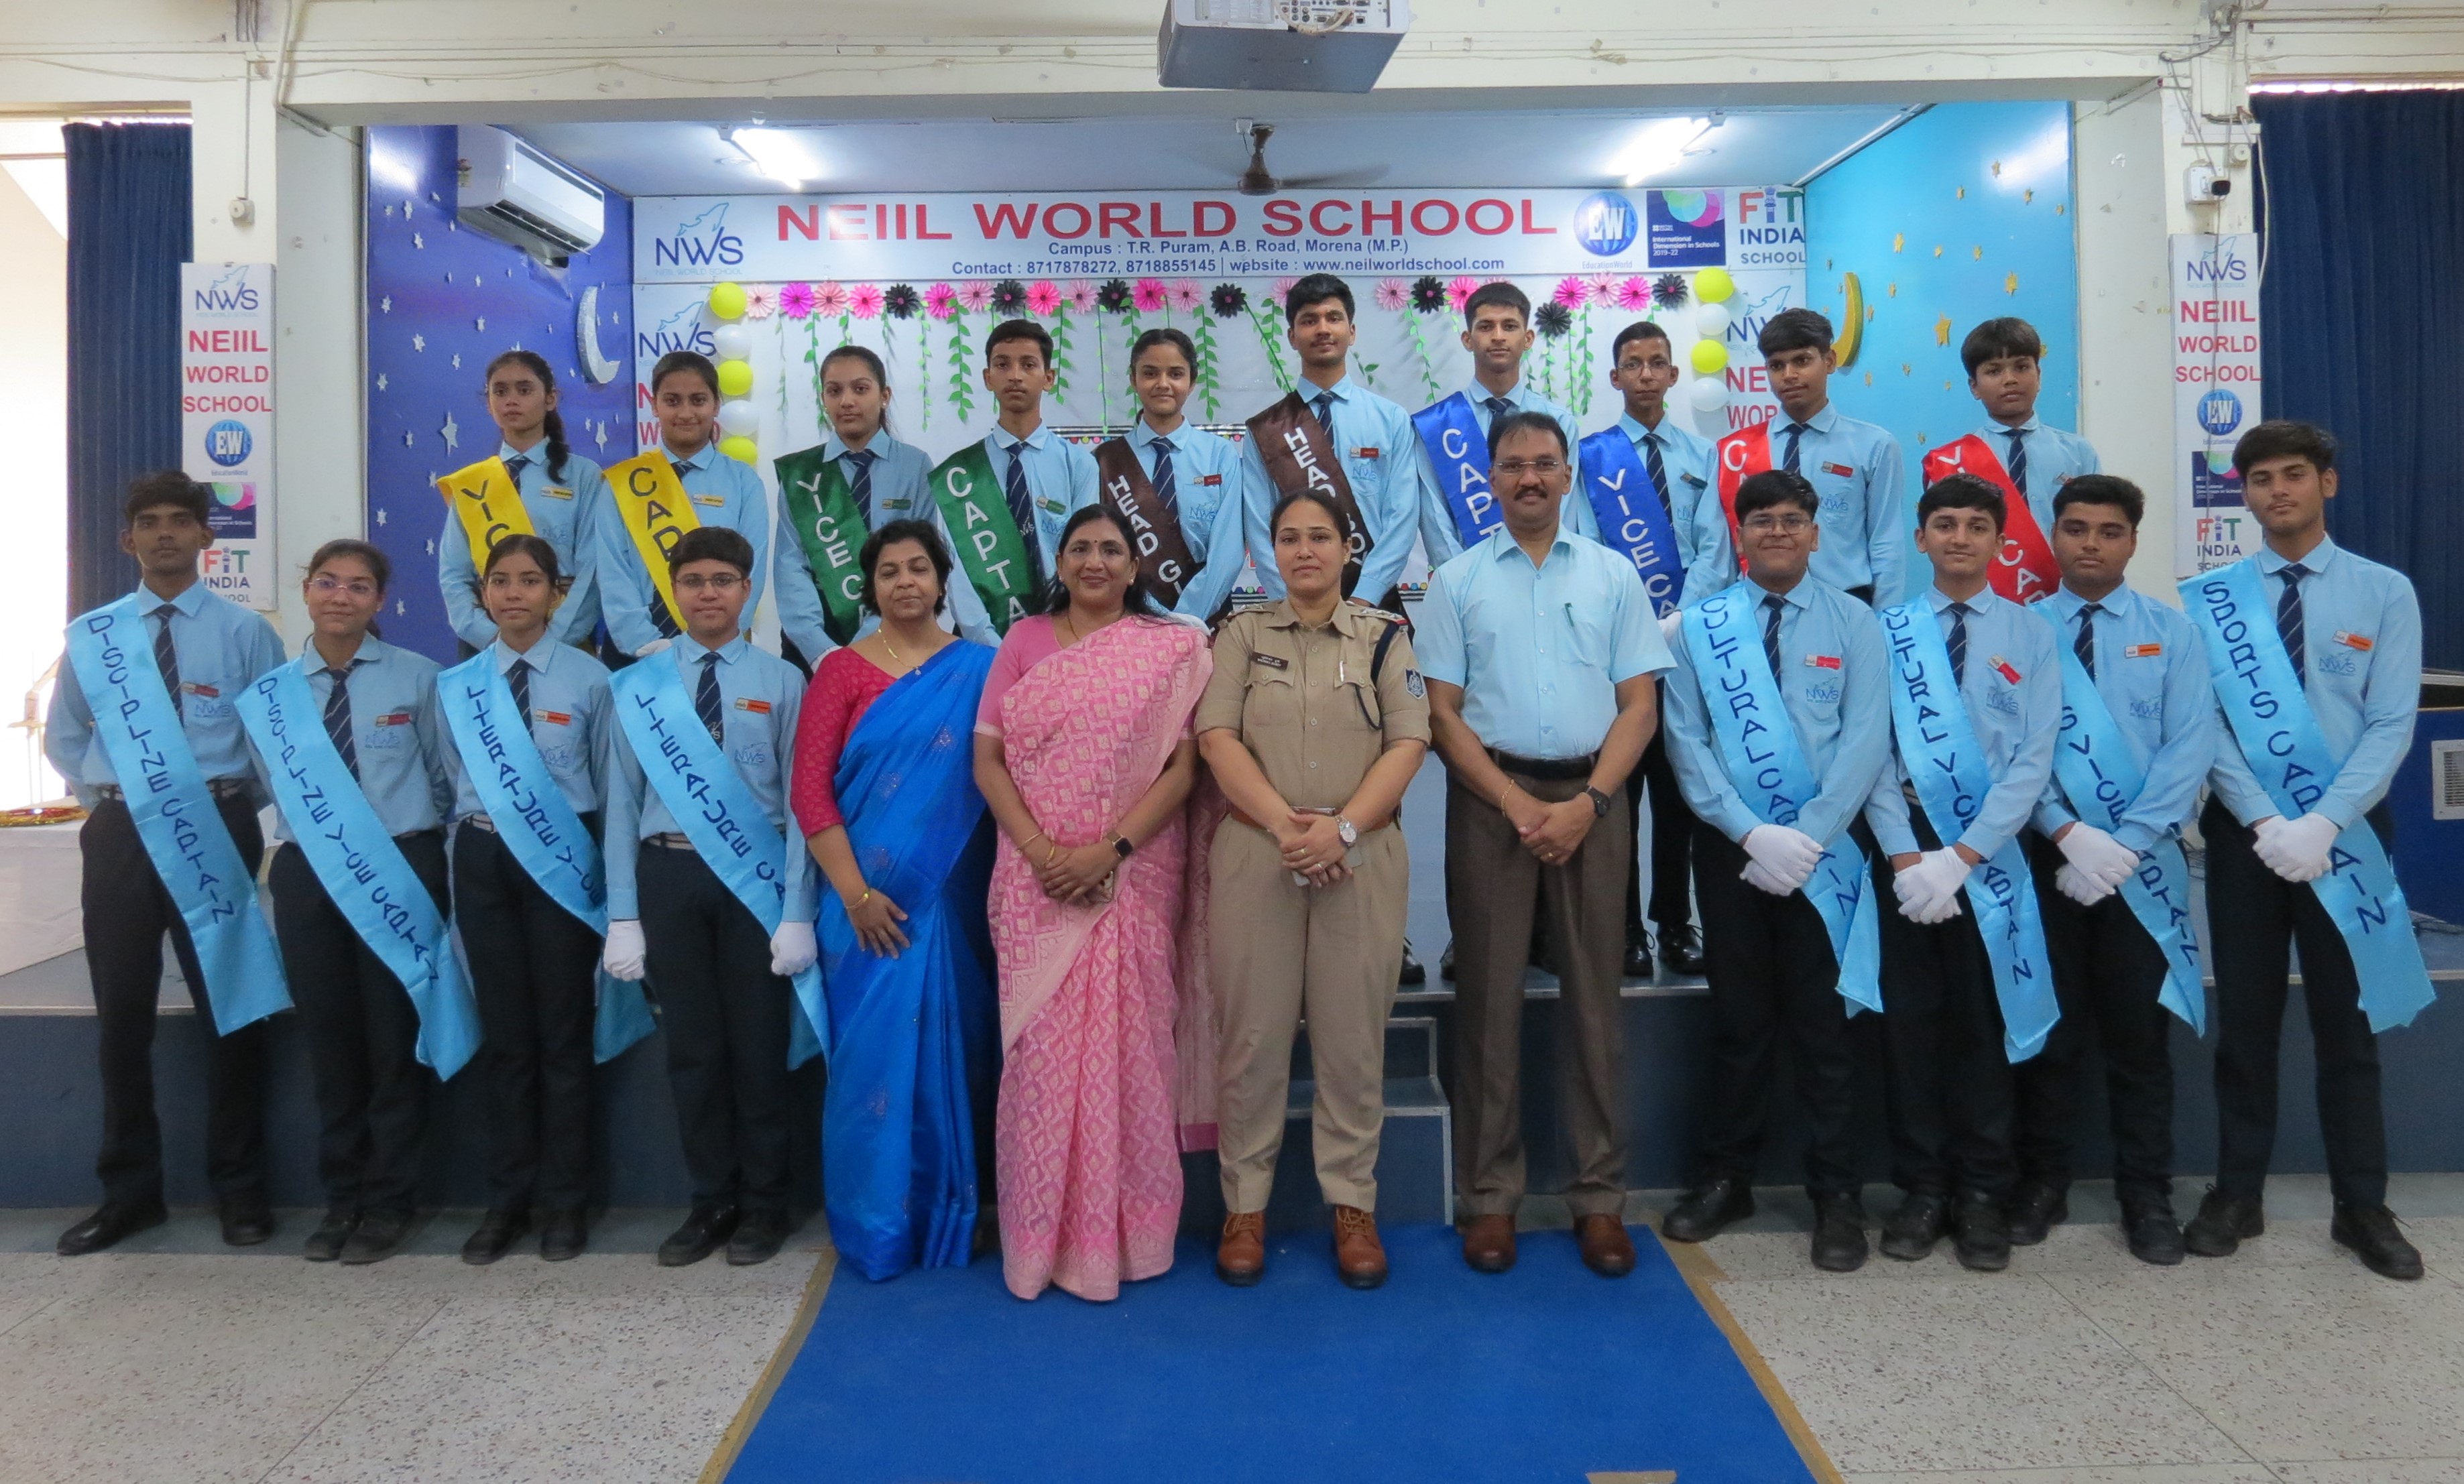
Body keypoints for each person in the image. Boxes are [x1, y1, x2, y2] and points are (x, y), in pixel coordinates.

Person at [1416, 411, 1672, 1279]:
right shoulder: (1454, 581)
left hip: (1592, 802)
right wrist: (1514, 801)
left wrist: (1590, 800)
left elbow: (1638, 704)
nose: (1527, 478)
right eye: (1512, 466)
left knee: (1594, 1006)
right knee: (1485, 1004)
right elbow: (1440, 713)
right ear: (1488, 479)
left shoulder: (1611, 574)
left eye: (1541, 465)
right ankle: (1489, 1197)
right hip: (1491, 799)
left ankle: (1597, 1197)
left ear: (1567, 476)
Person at [2180, 420, 2434, 1282]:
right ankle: (2236, 1194)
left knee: (2348, 1028)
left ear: (2327, 482)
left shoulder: (2385, 591)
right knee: (2245, 1023)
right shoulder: (2208, 598)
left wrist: (2322, 821)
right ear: (2242, 493)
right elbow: (2204, 725)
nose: (2276, 491)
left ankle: (2361, 1205)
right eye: (2260, 479)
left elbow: (2393, 721)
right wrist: (2264, 819)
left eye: (2294, 475)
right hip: (2245, 838)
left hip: (2350, 834)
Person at [48, 471, 290, 1256]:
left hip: (218, 822)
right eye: (147, 522)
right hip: (122, 831)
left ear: (206, 538)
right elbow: (68, 738)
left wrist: (226, 805)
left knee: (234, 1007)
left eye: (179, 522)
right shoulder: (93, 635)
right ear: (127, 539)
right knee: (122, 1016)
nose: (163, 535)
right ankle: (129, 1194)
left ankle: (241, 1192)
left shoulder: (246, 632)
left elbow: (271, 743)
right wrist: (119, 801)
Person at [972, 505, 1210, 1302]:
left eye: (1113, 549)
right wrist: (1046, 855)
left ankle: (1132, 1239)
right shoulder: (1023, 642)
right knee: (1040, 1062)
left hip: (1132, 878)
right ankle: (1040, 1243)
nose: (1097, 561)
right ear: (1061, 561)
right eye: (1081, 548)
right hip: (1035, 886)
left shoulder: (1171, 649)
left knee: (1135, 1052)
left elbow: (1182, 771)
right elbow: (989, 760)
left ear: (1136, 567)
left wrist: (1107, 851)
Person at [1657, 469, 1890, 1272]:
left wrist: (1809, 835)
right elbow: (1685, 742)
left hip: (1826, 857)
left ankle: (1838, 1195)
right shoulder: (1699, 628)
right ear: (1740, 536)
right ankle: (1729, 1177)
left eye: (1794, 521)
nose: (1778, 533)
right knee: (1740, 1024)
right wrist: (1752, 834)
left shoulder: (1857, 623)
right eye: (1762, 522)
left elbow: (1867, 741)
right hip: (1733, 855)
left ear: (1816, 534)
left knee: (1827, 1032)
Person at [1197, 489, 1430, 1290]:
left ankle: (1352, 1208)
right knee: (1252, 1040)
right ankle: (1245, 1207)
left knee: (1351, 1042)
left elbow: (1411, 741)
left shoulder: (1383, 636)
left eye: (1320, 538)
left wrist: (1341, 831)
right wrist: (1289, 828)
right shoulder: (1239, 634)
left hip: (1359, 855)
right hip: (1258, 855)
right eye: (1289, 538)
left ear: (1346, 550)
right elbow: (1216, 737)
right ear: (1268, 553)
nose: (1305, 552)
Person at [240, 540, 475, 1265]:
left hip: (401, 866)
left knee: (389, 1038)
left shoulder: (421, 679)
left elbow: (446, 780)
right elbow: (266, 785)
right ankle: (341, 1200)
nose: (342, 596)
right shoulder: (270, 698)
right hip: (310, 874)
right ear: (306, 592)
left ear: (379, 601)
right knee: (331, 1042)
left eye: (359, 586)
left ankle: (389, 1202)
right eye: (328, 583)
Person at [601, 525, 819, 1267]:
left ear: (747, 589)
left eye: (723, 580)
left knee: (759, 1050)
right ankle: (710, 1202)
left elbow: (799, 805)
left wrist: (796, 908)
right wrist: (624, 913)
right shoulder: (638, 687)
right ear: (675, 591)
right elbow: (621, 805)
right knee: (693, 1051)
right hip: (669, 875)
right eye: (693, 581)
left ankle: (765, 1206)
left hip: (753, 883)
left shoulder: (784, 681)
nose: (708, 593)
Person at [2009, 476, 2212, 1265]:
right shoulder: (2017, 633)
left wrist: (2120, 844)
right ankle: (2042, 1182)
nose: (2090, 543)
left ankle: (2146, 1193)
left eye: (2109, 530)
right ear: (2053, 537)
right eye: (2075, 528)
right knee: (2047, 1031)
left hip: (2144, 870)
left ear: (2133, 540)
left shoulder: (2175, 633)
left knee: (2139, 1040)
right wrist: (2065, 832)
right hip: (2045, 862)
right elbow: (2010, 751)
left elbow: (2190, 745)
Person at [790, 519, 1000, 1282]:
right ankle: (878, 1223)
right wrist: (856, 896)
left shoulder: (981, 668)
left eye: (919, 568)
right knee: (871, 1071)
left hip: (956, 898)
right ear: (869, 586)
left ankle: (953, 1212)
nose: (905, 582)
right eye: (889, 571)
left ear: (943, 581)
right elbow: (811, 794)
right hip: (863, 912)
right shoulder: (839, 673)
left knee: (960, 1057)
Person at [1863, 474, 2060, 1273]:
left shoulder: (2030, 633)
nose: (1958, 538)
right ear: (1921, 539)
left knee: (1983, 1023)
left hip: (1991, 851)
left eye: (1976, 525)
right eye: (1943, 524)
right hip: (1906, 852)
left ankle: (1983, 1188)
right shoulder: (1887, 631)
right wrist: (1909, 858)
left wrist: (1964, 855)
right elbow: (1867, 751)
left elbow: (2034, 759)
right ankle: (1923, 1188)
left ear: (1998, 540)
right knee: (1910, 1025)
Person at [443, 534, 639, 1265]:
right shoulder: (458, 685)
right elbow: (443, 783)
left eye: (531, 581)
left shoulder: (593, 681)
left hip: (562, 856)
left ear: (558, 594)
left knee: (560, 1035)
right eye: (501, 581)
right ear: (482, 593)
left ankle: (566, 1203)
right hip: (484, 856)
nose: (515, 593)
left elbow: (608, 783)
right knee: (507, 1036)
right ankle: (507, 1202)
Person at [1240, 273, 1432, 986]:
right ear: (1291, 336)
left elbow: (1402, 517)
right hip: (1288, 618)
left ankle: (1394, 932)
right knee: (1297, 749)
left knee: (1383, 764)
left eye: (1333, 318)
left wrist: (1362, 604)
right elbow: (1263, 531)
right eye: (1308, 320)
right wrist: (1294, 599)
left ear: (1353, 330)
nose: (1321, 329)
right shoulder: (1265, 430)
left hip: (1374, 620)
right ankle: (1293, 901)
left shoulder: (1387, 419)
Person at [1604, 320, 1718, 981]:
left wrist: (1676, 619)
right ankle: (1623, 930)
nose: (1646, 374)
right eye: (1633, 364)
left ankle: (1676, 922)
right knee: (1618, 799)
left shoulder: (1707, 459)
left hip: (1687, 654)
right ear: (1616, 378)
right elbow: (1590, 550)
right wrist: (1630, 628)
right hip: (1615, 658)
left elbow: (1715, 550)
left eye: (1657, 363)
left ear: (1674, 376)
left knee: (1678, 800)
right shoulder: (1591, 458)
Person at [772, 344, 996, 670]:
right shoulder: (802, 475)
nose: (847, 401)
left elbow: (921, 560)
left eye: (860, 389)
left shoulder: (915, 466)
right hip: (813, 640)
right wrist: (820, 649)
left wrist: (864, 644)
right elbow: (790, 566)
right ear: (824, 399)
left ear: (885, 395)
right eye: (834, 391)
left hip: (895, 634)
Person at [1702, 308, 1907, 607]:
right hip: (1756, 609)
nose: (1789, 376)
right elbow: (1718, 552)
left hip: (1846, 606)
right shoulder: (1733, 451)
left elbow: (1886, 542)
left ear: (1830, 361)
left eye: (1802, 361)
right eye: (1776, 365)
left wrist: (1885, 624)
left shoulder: (1874, 446)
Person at [925, 319, 1098, 637]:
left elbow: (1086, 556)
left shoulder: (1079, 464)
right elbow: (957, 572)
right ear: (988, 378)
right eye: (1003, 365)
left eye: (1028, 365)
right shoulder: (960, 475)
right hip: (980, 639)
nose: (1015, 375)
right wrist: (987, 642)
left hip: (1063, 633)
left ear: (1048, 378)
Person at [597, 351, 772, 662]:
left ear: (717, 404)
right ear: (654, 405)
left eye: (698, 400)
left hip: (719, 650)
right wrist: (644, 642)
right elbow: (613, 569)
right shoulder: (622, 482)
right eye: (673, 400)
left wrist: (717, 639)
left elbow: (752, 571)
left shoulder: (744, 482)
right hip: (635, 651)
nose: (686, 412)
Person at [436, 351, 608, 656]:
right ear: (488, 403)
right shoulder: (471, 483)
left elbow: (592, 568)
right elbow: (454, 574)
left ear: (551, 399)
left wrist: (553, 640)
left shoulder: (583, 475)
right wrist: (488, 637)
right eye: (500, 391)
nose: (511, 400)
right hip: (486, 644)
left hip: (563, 639)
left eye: (525, 390)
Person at [1414, 280, 1590, 566]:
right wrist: (1462, 579)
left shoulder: (1559, 422)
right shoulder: (1434, 426)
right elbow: (1435, 519)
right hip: (1464, 581)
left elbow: (1564, 509)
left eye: (1509, 326)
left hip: (1544, 571)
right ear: (1467, 339)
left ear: (1528, 338)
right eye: (1485, 327)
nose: (1498, 336)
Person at [1092, 328, 1252, 625]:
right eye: (1150, 373)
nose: (1163, 384)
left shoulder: (1220, 455)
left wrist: (1185, 621)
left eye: (1176, 374)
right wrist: (1147, 616)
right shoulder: (1104, 462)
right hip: (1127, 621)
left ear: (1192, 382)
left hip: (1209, 621)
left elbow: (1227, 555)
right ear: (1133, 379)